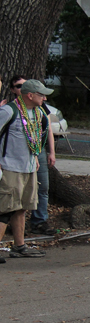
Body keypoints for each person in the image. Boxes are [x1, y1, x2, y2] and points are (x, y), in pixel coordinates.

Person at [0, 79, 50, 258]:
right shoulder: (8, 111)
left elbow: (37, 135)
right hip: (10, 167)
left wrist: (35, 155)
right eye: (41, 94)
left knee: (21, 207)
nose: (44, 98)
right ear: (30, 95)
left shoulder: (38, 113)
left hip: (28, 167)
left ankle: (19, 246)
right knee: (5, 208)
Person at [11, 76, 57, 236]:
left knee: (40, 188)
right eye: (18, 86)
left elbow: (45, 130)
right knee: (15, 196)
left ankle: (38, 222)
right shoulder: (10, 110)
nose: (45, 98)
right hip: (14, 161)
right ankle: (11, 225)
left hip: (35, 154)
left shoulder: (40, 110)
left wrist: (49, 152)